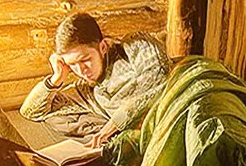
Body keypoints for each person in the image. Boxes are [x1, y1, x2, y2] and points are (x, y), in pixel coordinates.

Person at [19, 12, 171, 147]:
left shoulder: (135, 46)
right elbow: (31, 112)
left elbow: (158, 81)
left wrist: (114, 124)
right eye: (72, 64)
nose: (81, 71)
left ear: (103, 47)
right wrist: (57, 78)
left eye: (85, 60)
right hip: (131, 130)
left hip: (165, 113)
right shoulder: (87, 90)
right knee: (55, 120)